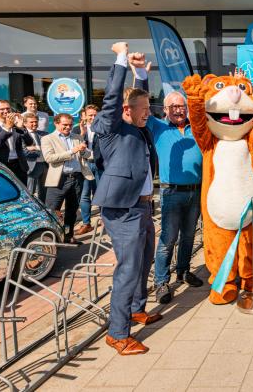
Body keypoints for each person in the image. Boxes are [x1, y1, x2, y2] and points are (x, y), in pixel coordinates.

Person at [92, 42, 160, 356]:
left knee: (144, 260)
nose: (149, 113)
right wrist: (121, 58)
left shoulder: (138, 126)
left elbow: (137, 98)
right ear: (125, 111)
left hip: (143, 205)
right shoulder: (110, 127)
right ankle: (118, 334)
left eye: (149, 109)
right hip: (123, 209)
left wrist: (142, 74)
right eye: (143, 110)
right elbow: (113, 98)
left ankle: (136, 309)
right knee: (128, 268)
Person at [135, 68, 205, 305]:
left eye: (181, 106)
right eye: (173, 107)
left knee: (189, 236)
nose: (178, 110)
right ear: (164, 110)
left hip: (195, 191)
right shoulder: (158, 127)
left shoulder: (196, 127)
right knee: (168, 238)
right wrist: (141, 76)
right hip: (171, 191)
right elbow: (141, 105)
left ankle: (183, 271)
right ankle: (161, 281)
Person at [41, 113, 94, 244]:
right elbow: (49, 158)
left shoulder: (77, 137)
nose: (68, 127)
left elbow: (89, 155)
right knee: (52, 211)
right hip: (59, 180)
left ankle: (68, 235)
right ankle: (50, 239)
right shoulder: (48, 138)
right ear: (56, 123)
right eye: (65, 125)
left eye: (70, 125)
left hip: (76, 179)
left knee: (71, 212)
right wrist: (72, 151)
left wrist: (82, 151)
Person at [0, 100, 31, 184]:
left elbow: (29, 142)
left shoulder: (16, 126)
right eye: (2, 109)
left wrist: (21, 128)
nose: (6, 111)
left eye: (8, 108)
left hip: (19, 166)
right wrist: (7, 127)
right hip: (1, 166)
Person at [74, 104, 101, 236]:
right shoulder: (76, 129)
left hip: (100, 164)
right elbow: (74, 146)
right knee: (84, 195)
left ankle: (106, 220)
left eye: (95, 115)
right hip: (84, 165)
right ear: (85, 115)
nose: (93, 117)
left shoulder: (103, 128)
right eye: (90, 115)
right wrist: (82, 133)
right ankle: (86, 224)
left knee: (100, 194)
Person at [23, 112, 48, 202]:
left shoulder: (44, 134)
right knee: (30, 191)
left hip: (45, 165)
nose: (34, 124)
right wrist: (41, 149)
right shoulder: (22, 135)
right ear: (25, 123)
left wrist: (36, 148)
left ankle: (44, 208)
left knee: (44, 190)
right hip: (31, 166)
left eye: (36, 122)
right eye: (31, 122)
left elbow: (50, 148)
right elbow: (24, 152)